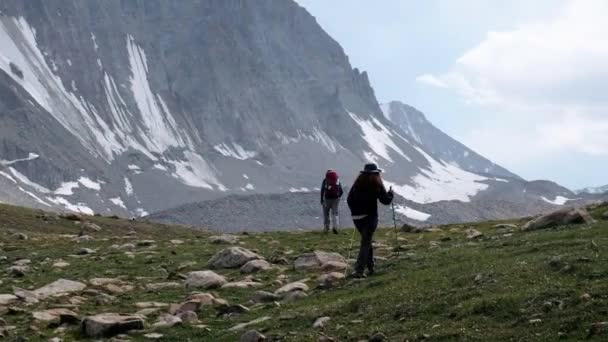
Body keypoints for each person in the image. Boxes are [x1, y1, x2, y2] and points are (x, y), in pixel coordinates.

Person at [347, 163, 393, 278]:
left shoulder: (357, 183)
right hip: (370, 218)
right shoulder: (376, 184)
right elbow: (385, 200)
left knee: (366, 241)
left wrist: (355, 211)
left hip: (357, 218)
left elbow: (349, 199)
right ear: (376, 173)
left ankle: (371, 267)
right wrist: (391, 194)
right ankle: (359, 270)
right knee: (366, 242)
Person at [320, 169, 343, 234]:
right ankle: (335, 227)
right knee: (334, 213)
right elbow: (341, 191)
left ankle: (326, 228)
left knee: (326, 214)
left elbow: (322, 190)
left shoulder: (325, 180)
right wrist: (338, 197)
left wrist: (321, 199)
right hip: (335, 199)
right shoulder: (337, 180)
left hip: (327, 199)